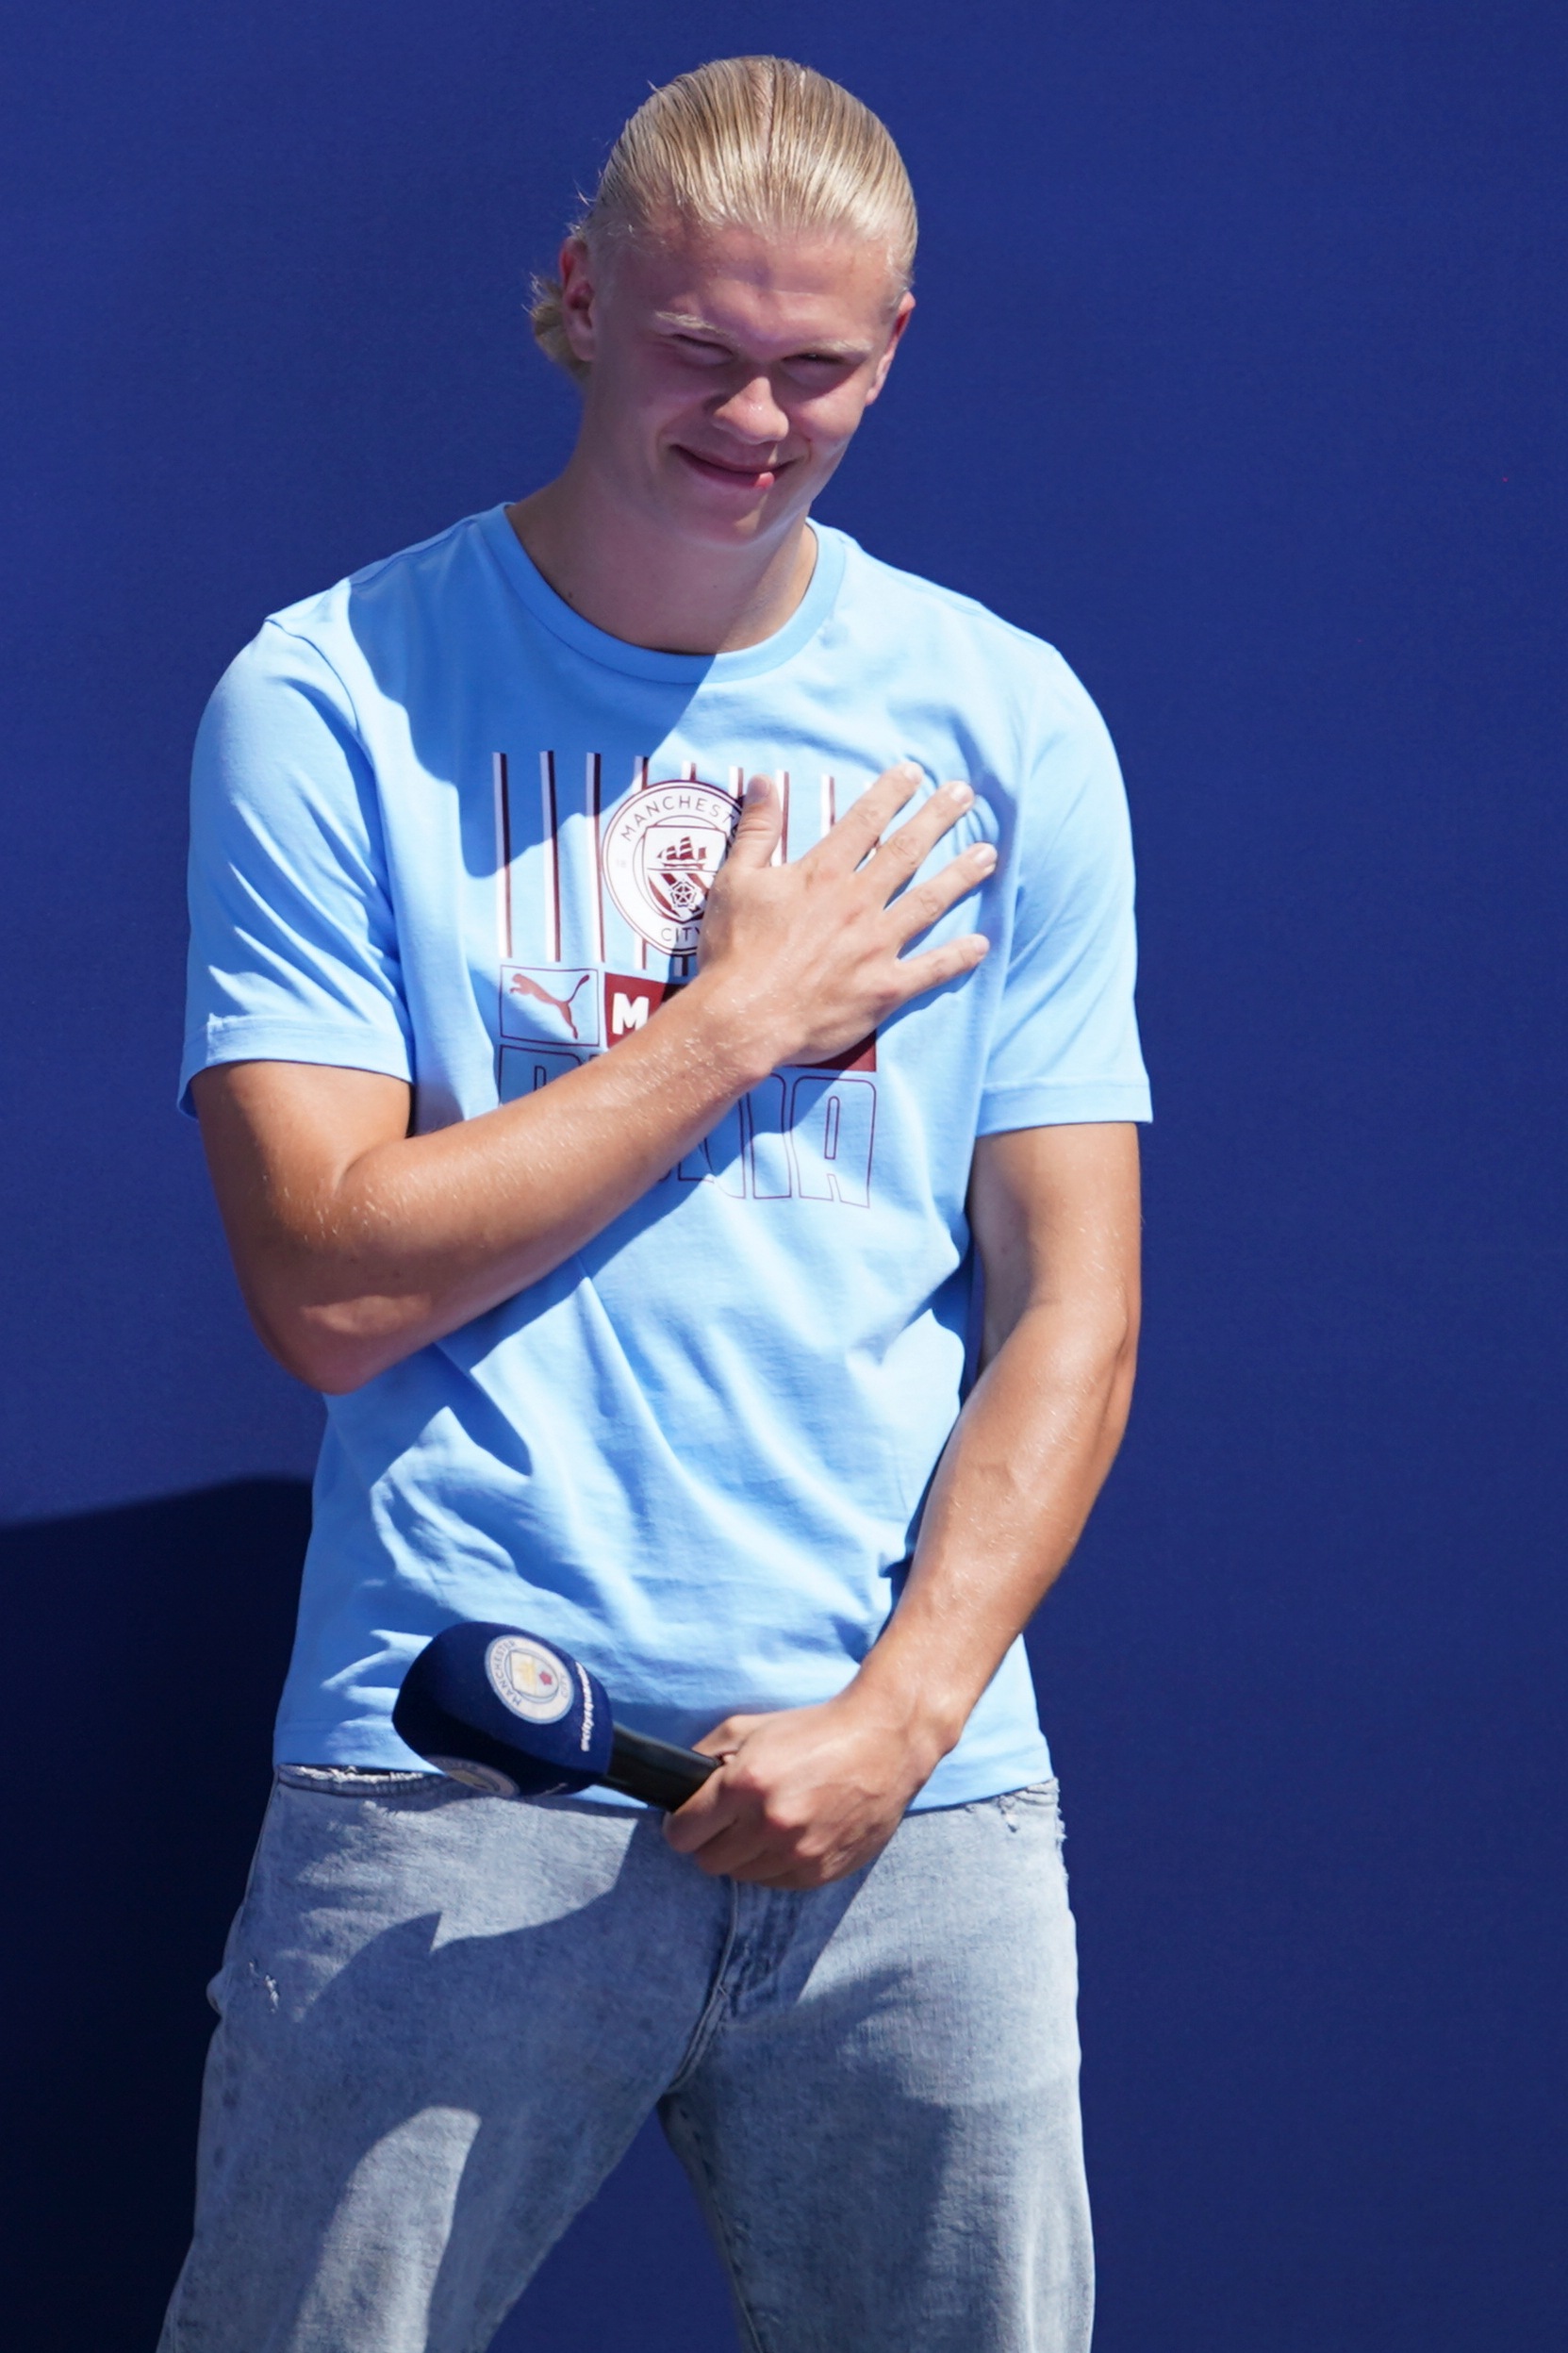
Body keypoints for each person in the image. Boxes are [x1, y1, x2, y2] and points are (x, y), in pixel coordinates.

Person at [160, 55, 1149, 2353]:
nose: (756, 418)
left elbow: (1071, 1309)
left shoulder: (1003, 722)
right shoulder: (335, 703)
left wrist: (899, 1722)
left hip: (916, 1814)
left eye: (819, 367)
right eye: (700, 351)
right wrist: (730, 1027)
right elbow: (323, 1280)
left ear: (897, 340)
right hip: (463, 1759)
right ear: (583, 299)